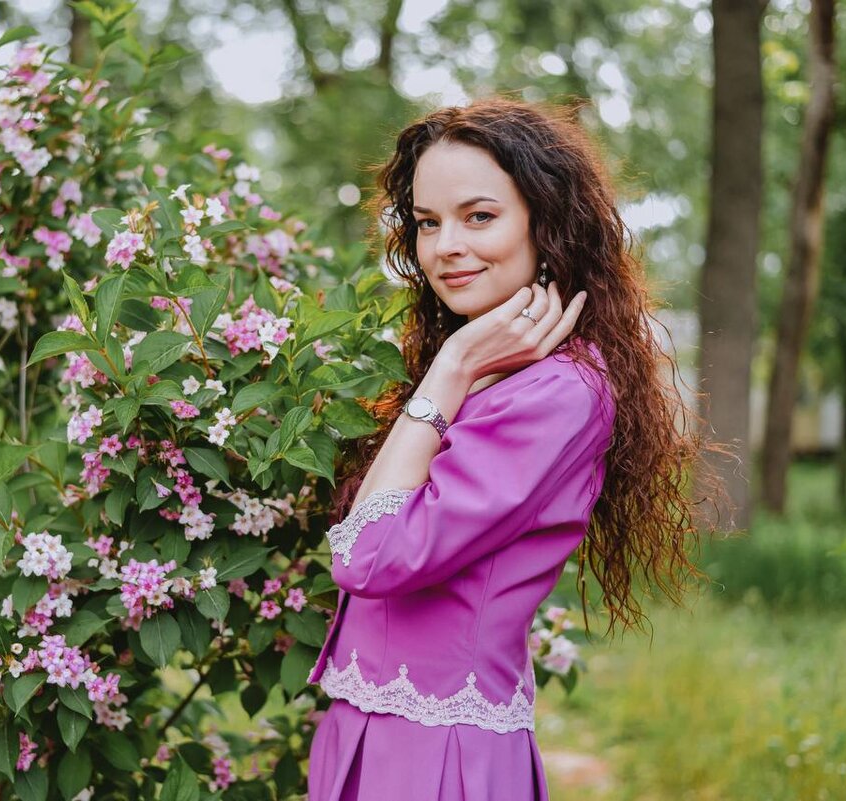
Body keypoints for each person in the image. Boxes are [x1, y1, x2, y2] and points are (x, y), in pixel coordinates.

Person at [305, 98, 713, 800]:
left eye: (480, 216)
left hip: (436, 757)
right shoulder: (492, 369)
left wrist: (451, 366)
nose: (445, 247)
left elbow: (366, 555)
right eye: (428, 222)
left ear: (545, 223)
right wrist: (454, 364)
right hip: (370, 735)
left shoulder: (555, 392)